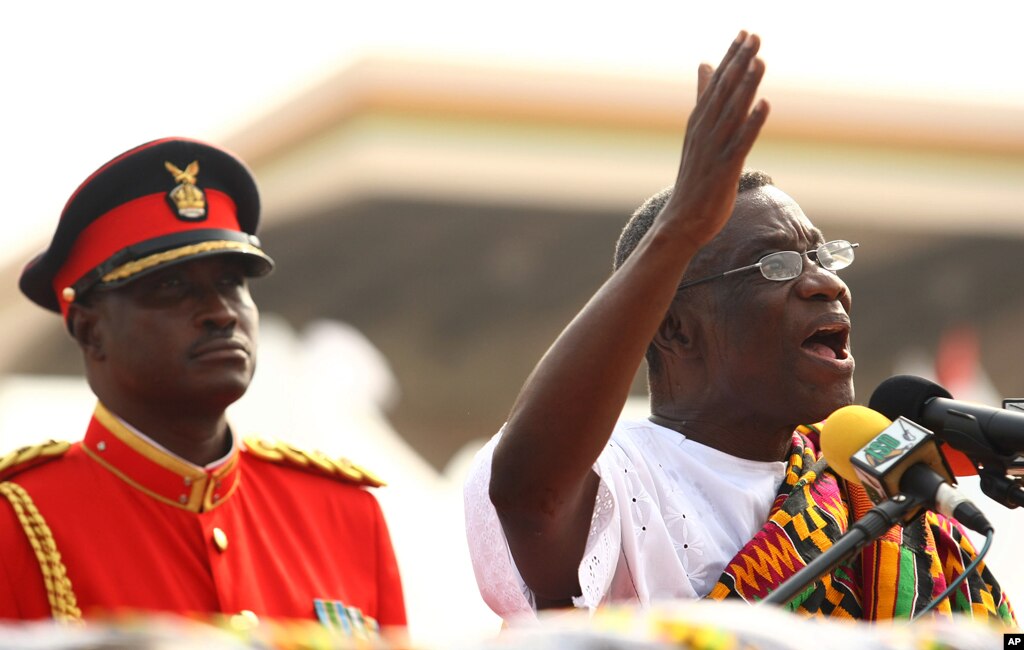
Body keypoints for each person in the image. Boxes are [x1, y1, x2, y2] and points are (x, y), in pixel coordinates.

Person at [463, 31, 1014, 624]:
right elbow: (527, 493)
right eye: (775, 265)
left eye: (824, 257)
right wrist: (681, 227)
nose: (826, 284)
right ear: (674, 330)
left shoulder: (886, 487)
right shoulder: (627, 474)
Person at [0, 137, 406, 632]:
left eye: (233, 283)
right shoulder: (17, 526)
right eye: (172, 287)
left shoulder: (345, 515)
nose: (220, 313)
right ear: (90, 330)